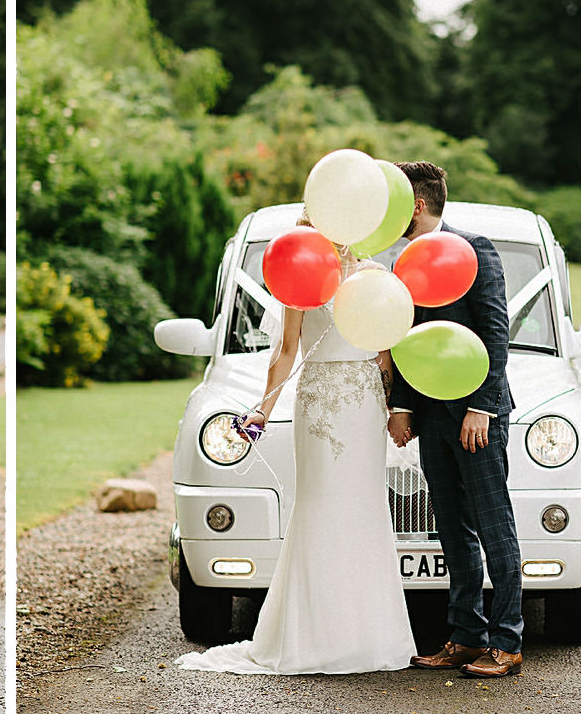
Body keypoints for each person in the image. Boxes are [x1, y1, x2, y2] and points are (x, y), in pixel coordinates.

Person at [177, 218, 416, 675]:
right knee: (320, 505)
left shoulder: (379, 277)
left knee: (366, 507)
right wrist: (262, 410)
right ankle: (311, 636)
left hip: (365, 403)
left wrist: (395, 409)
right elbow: (286, 350)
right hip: (320, 402)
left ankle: (371, 636)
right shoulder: (301, 273)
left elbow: (387, 352)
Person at [387, 161, 522, 679]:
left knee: (494, 526)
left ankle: (506, 644)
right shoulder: (405, 261)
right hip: (432, 418)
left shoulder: (474, 250)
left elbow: (494, 332)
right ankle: (465, 637)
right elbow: (404, 336)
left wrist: (481, 408)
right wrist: (402, 406)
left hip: (476, 416)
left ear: (417, 205)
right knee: (451, 530)